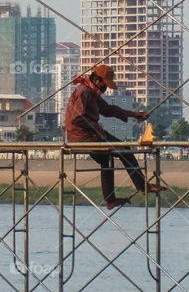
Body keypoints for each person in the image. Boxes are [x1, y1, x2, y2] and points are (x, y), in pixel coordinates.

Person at [64, 64, 164, 209]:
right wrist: (97, 127)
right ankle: (142, 186)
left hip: (92, 134)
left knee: (108, 158)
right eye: (105, 84)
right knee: (124, 149)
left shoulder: (91, 92)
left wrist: (134, 114)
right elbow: (78, 118)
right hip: (83, 136)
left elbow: (108, 110)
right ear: (97, 79)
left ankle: (111, 200)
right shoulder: (83, 92)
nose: (105, 89)